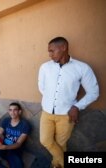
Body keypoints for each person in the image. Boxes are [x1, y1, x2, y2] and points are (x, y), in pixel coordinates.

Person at [38, 37, 99, 168]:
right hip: (46, 113)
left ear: (64, 47)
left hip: (66, 115)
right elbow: (42, 88)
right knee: (45, 141)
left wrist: (77, 106)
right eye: (48, 51)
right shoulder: (45, 67)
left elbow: (94, 92)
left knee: (61, 145)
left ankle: (55, 165)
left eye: (52, 51)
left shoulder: (82, 68)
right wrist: (52, 101)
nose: (49, 54)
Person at [0, 102, 30, 168]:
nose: (12, 112)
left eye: (15, 110)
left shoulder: (24, 125)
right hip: (2, 146)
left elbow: (18, 143)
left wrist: (4, 147)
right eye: (10, 110)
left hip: (14, 150)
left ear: (19, 111)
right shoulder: (6, 121)